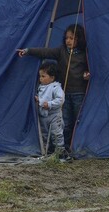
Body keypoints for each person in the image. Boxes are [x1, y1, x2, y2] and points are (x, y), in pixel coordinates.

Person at [17, 24, 89, 152]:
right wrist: (28, 51)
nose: (68, 41)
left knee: (78, 120)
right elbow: (45, 52)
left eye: (72, 38)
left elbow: (92, 68)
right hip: (64, 93)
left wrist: (87, 74)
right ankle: (63, 147)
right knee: (64, 122)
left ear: (79, 39)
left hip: (79, 93)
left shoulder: (85, 54)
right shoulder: (61, 51)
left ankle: (76, 146)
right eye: (66, 38)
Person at [35, 63, 66, 157]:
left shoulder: (55, 87)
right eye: (40, 76)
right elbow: (40, 98)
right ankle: (46, 150)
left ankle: (60, 151)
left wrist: (49, 104)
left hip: (54, 115)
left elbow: (60, 100)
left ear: (52, 78)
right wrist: (38, 100)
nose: (40, 78)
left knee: (56, 133)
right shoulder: (40, 87)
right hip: (43, 115)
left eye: (43, 76)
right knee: (43, 134)